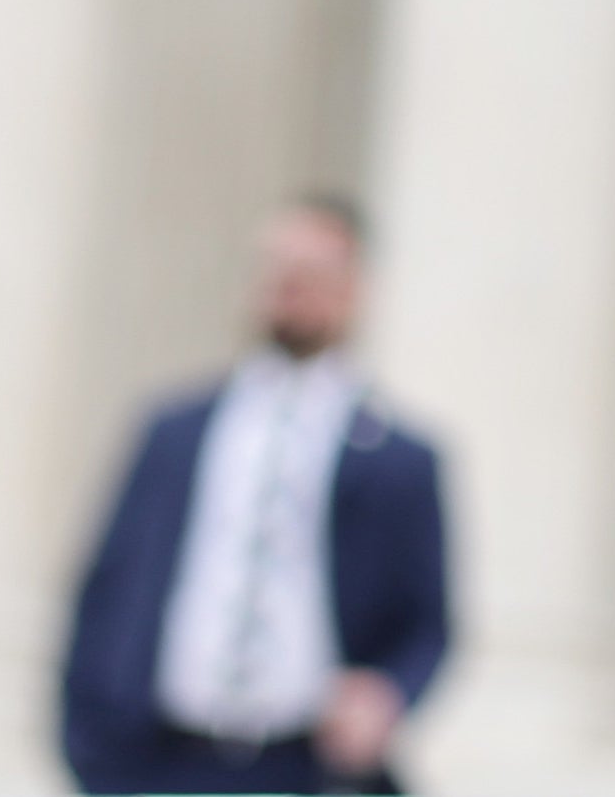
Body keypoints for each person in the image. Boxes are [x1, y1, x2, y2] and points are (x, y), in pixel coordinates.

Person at [57, 195, 452, 794]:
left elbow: (428, 622)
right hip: (164, 761)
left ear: (355, 286)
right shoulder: (176, 432)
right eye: (275, 267)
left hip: (305, 768)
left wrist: (388, 695)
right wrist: (87, 746)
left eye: (311, 270)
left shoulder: (399, 459)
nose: (288, 286)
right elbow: (108, 586)